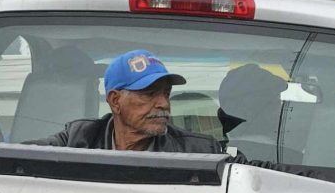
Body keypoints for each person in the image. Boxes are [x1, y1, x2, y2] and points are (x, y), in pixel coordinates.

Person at [28, 50, 317, 176]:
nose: (163, 104)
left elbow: (262, 171)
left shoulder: (196, 150)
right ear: (115, 100)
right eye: (148, 94)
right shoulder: (78, 139)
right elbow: (17, 157)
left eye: (165, 93)